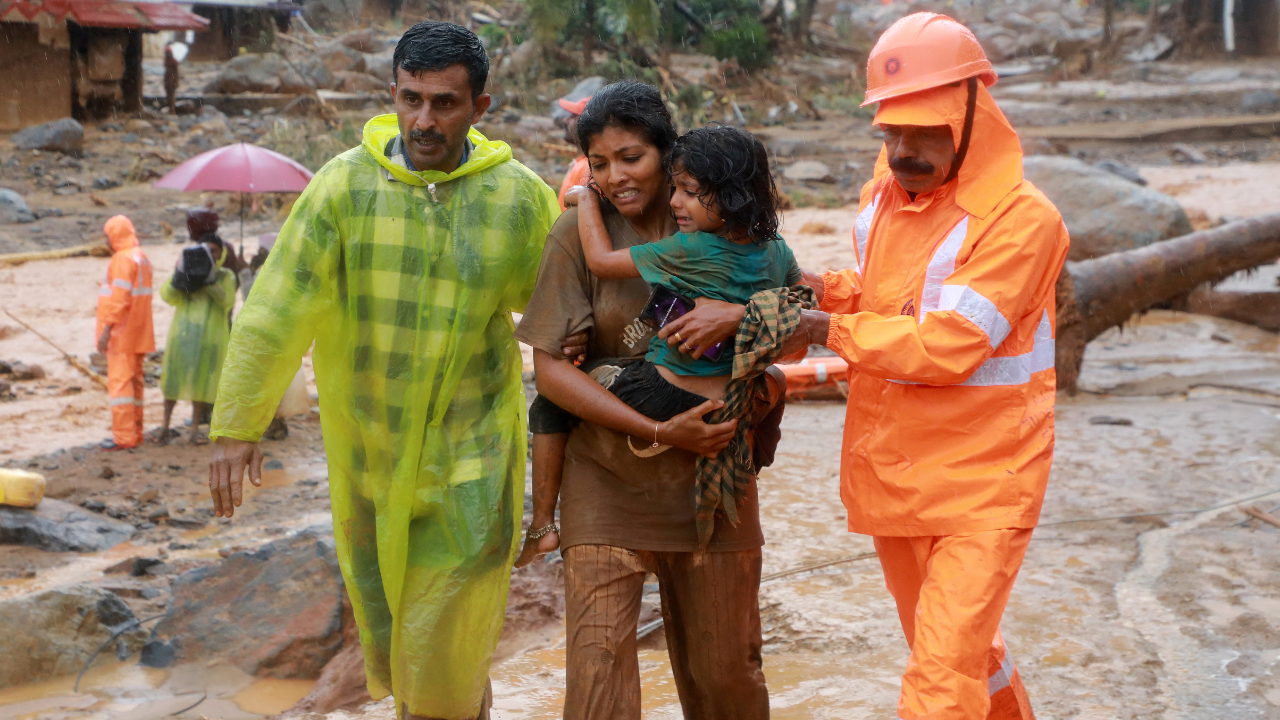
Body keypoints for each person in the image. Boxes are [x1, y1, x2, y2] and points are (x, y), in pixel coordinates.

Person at [205, 21, 558, 720]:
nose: (425, 120)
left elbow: (566, 312)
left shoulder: (514, 199)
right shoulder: (343, 189)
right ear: (391, 94)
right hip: (369, 460)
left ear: (480, 108)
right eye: (411, 99)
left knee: (439, 646)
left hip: (471, 461)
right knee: (405, 642)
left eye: (445, 103)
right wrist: (238, 423)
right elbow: (278, 307)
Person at [781, 14, 1070, 720]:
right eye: (891, 132)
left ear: (972, 112)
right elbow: (883, 293)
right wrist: (814, 289)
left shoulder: (1023, 220)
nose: (903, 150)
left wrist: (822, 326)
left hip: (985, 484)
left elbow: (949, 343)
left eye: (922, 132)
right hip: (898, 472)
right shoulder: (886, 191)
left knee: (940, 681)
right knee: (964, 658)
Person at [515, 81, 782, 720]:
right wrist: (658, 429)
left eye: (631, 158)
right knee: (598, 682)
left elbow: (798, 328)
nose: (615, 179)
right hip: (606, 483)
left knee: (728, 685)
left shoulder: (729, 225)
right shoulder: (577, 234)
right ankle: (546, 523)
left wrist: (738, 316)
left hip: (713, 487)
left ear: (669, 153)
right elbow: (550, 374)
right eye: (600, 164)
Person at [516, 124, 799, 567]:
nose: (674, 202)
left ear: (729, 196)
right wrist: (748, 312)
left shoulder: (689, 248)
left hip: (663, 394)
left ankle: (543, 525)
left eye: (688, 191)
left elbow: (601, 262)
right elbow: (801, 305)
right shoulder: (777, 249)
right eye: (599, 166)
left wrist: (586, 198)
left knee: (559, 393)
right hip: (734, 400)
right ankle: (765, 437)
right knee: (775, 376)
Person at [157, 234, 237, 445]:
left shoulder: (225, 276)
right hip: (183, 335)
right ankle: (164, 427)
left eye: (214, 251)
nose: (210, 255)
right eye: (206, 251)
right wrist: (180, 275)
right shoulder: (188, 270)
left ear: (222, 253)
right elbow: (167, 295)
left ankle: (194, 430)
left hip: (210, 338)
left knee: (202, 382)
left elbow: (227, 301)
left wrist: (209, 280)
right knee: (173, 380)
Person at [96, 215, 155, 451]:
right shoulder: (143, 258)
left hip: (121, 334)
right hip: (140, 332)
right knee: (135, 385)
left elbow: (119, 300)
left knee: (120, 388)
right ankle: (136, 432)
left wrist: (106, 330)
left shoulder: (122, 260)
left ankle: (123, 436)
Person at [556, 95, 592, 210]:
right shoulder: (583, 163)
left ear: (586, 123)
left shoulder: (588, 167)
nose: (566, 120)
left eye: (573, 116)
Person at [163, 43, 180, 114]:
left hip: (172, 80)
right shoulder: (167, 61)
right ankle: (170, 109)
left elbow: (176, 73)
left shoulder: (174, 62)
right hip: (167, 80)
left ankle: (172, 110)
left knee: (172, 96)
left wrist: (176, 81)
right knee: (168, 95)